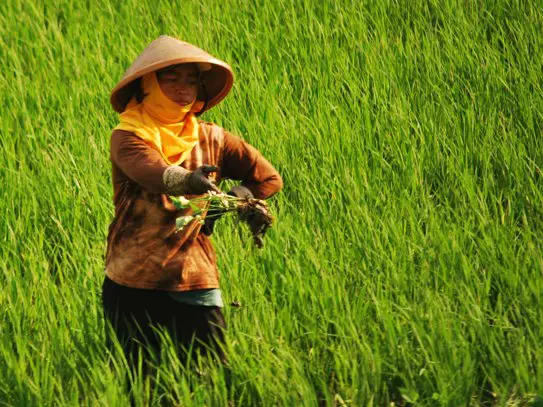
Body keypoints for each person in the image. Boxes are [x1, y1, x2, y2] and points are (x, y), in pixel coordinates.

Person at [101, 35, 283, 372]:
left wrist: (235, 200)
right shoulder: (127, 136)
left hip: (193, 274)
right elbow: (149, 171)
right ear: (147, 84)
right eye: (171, 78)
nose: (184, 88)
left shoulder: (213, 137)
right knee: (141, 380)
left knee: (209, 373)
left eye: (192, 79)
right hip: (133, 276)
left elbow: (268, 178)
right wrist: (188, 180)